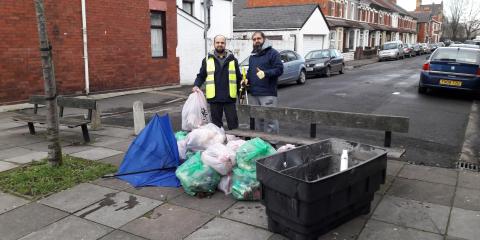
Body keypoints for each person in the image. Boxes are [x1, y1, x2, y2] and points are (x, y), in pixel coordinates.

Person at [193, 35, 242, 130]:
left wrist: (242, 93)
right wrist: (196, 85)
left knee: (233, 124)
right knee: (216, 127)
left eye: (222, 43)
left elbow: (238, 77)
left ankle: (235, 143)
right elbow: (201, 75)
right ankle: (218, 143)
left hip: (229, 97)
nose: (220, 44)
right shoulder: (207, 60)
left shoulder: (233, 60)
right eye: (218, 42)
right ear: (214, 44)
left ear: (225, 44)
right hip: (214, 97)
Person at [244, 31, 284, 134]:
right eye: (254, 39)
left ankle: (272, 143)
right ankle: (262, 143)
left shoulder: (273, 53)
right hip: (255, 93)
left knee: (270, 120)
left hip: (268, 93)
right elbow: (250, 71)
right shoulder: (252, 56)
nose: (256, 41)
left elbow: (279, 69)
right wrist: (247, 79)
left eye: (258, 38)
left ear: (264, 39)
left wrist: (265, 73)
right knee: (259, 119)